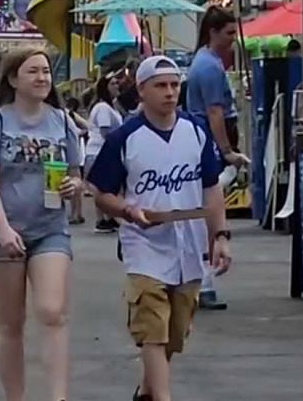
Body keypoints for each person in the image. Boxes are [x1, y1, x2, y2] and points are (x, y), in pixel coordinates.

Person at [90, 56, 232, 401]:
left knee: (174, 332)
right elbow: (99, 191)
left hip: (189, 241)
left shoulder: (195, 131)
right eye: (161, 86)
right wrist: (126, 208)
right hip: (144, 244)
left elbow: (211, 187)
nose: (170, 93)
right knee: (151, 326)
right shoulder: (125, 137)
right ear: (141, 90)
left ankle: (148, 389)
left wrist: (221, 235)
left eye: (174, 85)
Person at [0, 49, 83, 401]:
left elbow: (76, 175)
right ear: (13, 79)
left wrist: (74, 186)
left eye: (46, 71)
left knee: (53, 312)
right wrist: (4, 229)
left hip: (50, 228)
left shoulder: (62, 121)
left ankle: (58, 397)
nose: (42, 78)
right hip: (1, 233)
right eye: (33, 71)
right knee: (11, 324)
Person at [186, 6, 249, 310]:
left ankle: (203, 279)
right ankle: (204, 279)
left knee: (210, 205)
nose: (233, 38)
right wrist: (226, 150)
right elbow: (215, 112)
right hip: (211, 142)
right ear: (213, 32)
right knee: (211, 206)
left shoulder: (205, 62)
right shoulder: (209, 67)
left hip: (208, 140)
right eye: (228, 33)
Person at [85, 76, 123, 234]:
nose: (117, 86)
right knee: (101, 187)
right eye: (113, 83)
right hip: (98, 151)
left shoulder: (112, 107)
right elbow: (105, 130)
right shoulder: (102, 108)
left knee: (109, 188)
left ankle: (108, 217)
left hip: (103, 151)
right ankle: (101, 219)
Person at [64, 97, 90, 226]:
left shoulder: (64, 115)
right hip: (76, 153)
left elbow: (87, 126)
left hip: (70, 154)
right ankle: (77, 213)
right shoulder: (68, 115)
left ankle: (75, 214)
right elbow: (87, 126)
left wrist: (78, 133)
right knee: (75, 183)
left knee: (72, 183)